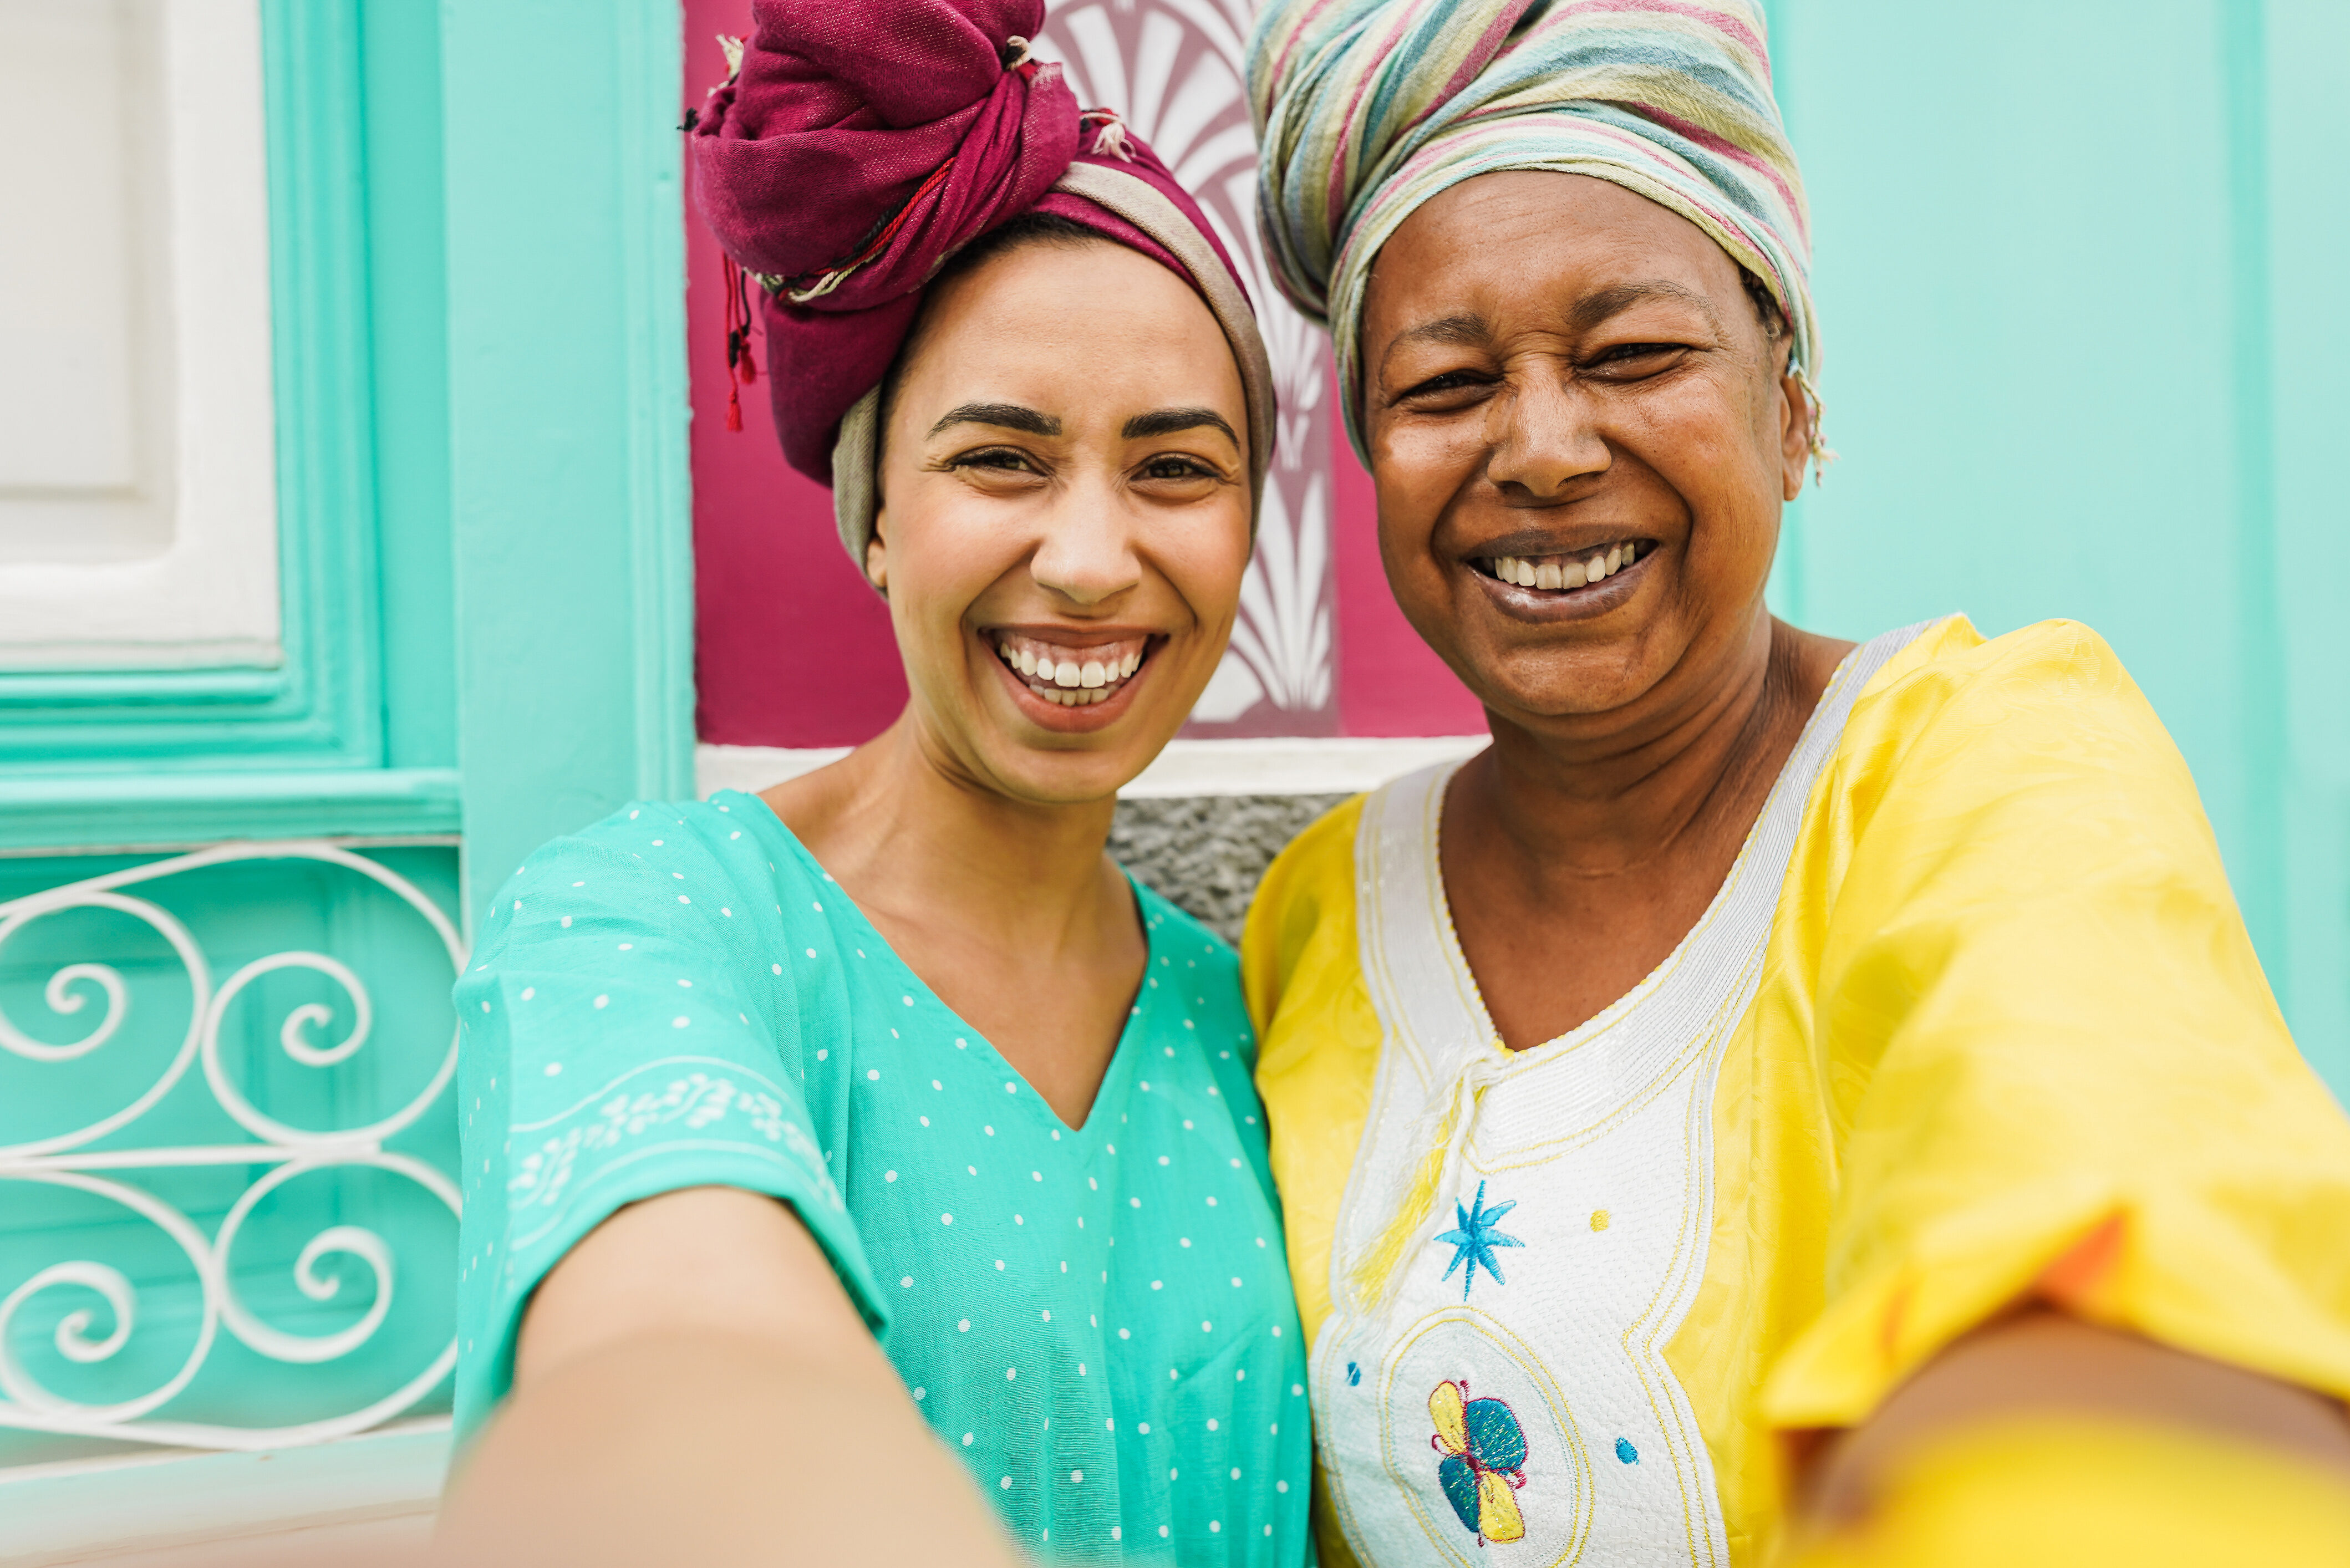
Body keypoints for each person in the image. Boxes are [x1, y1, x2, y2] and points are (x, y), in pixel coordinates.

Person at [1240, 2, 2350, 1565]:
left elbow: (2108, 1205)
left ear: (1793, 398)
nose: (1542, 449)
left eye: (1635, 356)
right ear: (1371, 448)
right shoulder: (1320, 916)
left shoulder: (1987, 773)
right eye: (1444, 384)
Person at [435, 4, 1316, 1563]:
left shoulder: (1242, 1008)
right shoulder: (645, 927)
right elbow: (671, 1353)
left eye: (1177, 467)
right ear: (879, 515)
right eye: (1002, 459)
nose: (1091, 559)